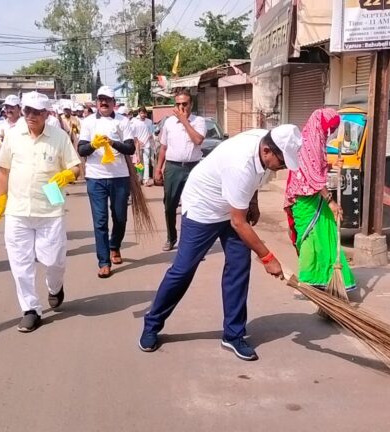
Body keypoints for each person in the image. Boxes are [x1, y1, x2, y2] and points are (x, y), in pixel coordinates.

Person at [139, 125, 301, 360]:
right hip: (203, 209)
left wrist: (252, 203)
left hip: (232, 207)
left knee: (239, 267)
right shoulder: (240, 164)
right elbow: (238, 222)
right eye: (283, 162)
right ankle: (151, 324)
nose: (283, 168)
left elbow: (253, 181)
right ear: (267, 151)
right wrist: (268, 258)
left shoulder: (264, 143)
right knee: (182, 271)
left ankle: (233, 335)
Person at [0, 91, 81, 333]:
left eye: (37, 112)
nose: (31, 116)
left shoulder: (59, 136)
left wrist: (68, 174)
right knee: (20, 264)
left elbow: (76, 167)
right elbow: (3, 170)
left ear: (46, 114)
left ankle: (55, 287)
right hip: (17, 210)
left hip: (50, 206)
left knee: (54, 260)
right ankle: (30, 309)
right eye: (27, 110)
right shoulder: (13, 135)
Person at [284, 108, 356, 294]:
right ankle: (306, 280)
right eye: (328, 128)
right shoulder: (310, 142)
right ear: (321, 125)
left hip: (314, 196)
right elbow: (313, 175)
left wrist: (332, 164)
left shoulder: (314, 138)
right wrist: (331, 201)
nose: (329, 133)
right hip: (304, 198)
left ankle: (323, 277)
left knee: (326, 234)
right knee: (309, 238)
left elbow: (318, 165)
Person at [77, 86, 135, 279]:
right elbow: (82, 149)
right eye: (100, 99)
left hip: (119, 176)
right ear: (96, 102)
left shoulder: (123, 121)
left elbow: (130, 148)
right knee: (100, 221)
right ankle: (103, 261)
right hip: (96, 177)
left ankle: (114, 246)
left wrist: (112, 143)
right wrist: (94, 144)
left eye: (107, 100)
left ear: (113, 102)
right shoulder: (88, 122)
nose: (104, 103)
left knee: (120, 218)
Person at [155, 90, 207, 252]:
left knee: (192, 206)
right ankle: (171, 238)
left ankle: (189, 242)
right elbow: (163, 147)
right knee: (170, 205)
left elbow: (198, 140)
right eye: (178, 104)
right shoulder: (169, 123)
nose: (181, 106)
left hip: (193, 168)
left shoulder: (199, 121)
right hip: (173, 168)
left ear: (191, 104)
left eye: (184, 103)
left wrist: (185, 121)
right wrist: (158, 169)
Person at [130, 106, 154, 186]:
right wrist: (138, 142)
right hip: (138, 145)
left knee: (146, 162)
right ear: (139, 113)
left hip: (146, 145)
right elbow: (133, 135)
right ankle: (139, 178)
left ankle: (146, 179)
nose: (143, 114)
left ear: (146, 113)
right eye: (141, 113)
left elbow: (151, 134)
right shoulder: (135, 122)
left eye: (144, 113)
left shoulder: (149, 122)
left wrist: (146, 141)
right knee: (139, 162)